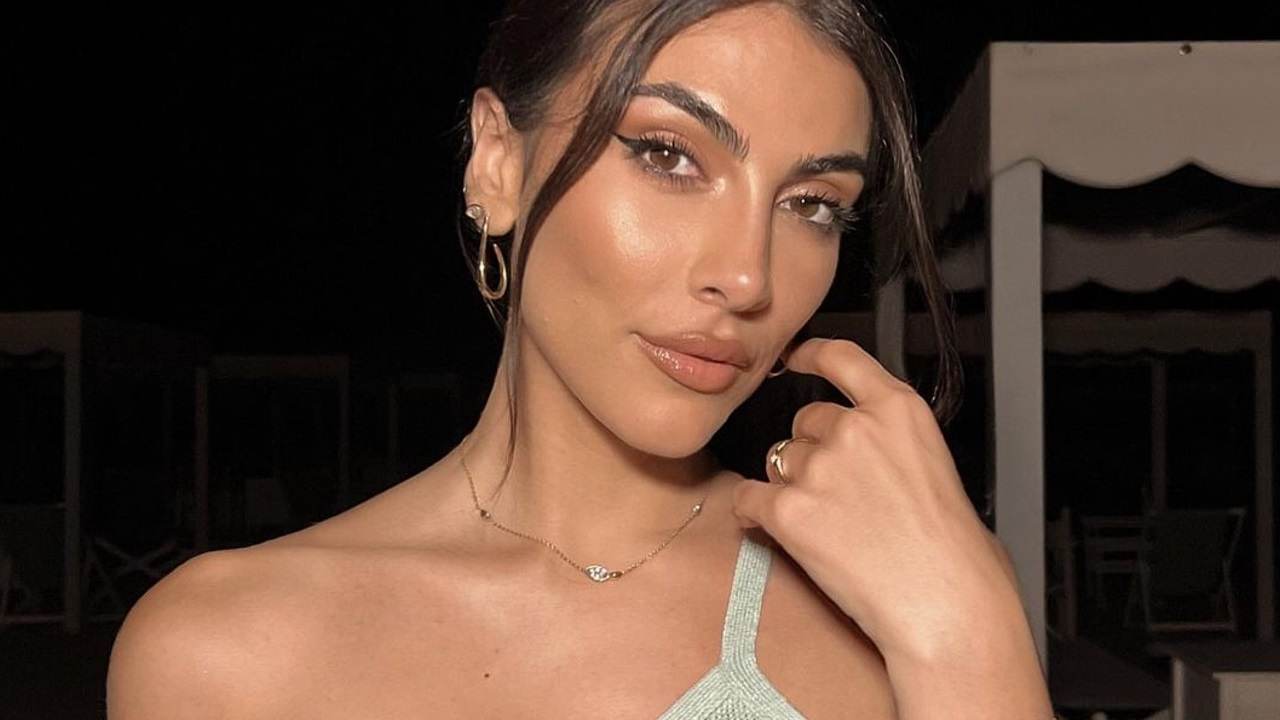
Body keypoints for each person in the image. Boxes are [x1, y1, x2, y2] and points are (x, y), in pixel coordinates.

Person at [107, 1, 1056, 717]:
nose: (747, 276)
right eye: (668, 156)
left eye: (811, 205)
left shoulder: (893, 606)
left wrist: (971, 643)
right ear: (498, 164)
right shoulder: (221, 653)